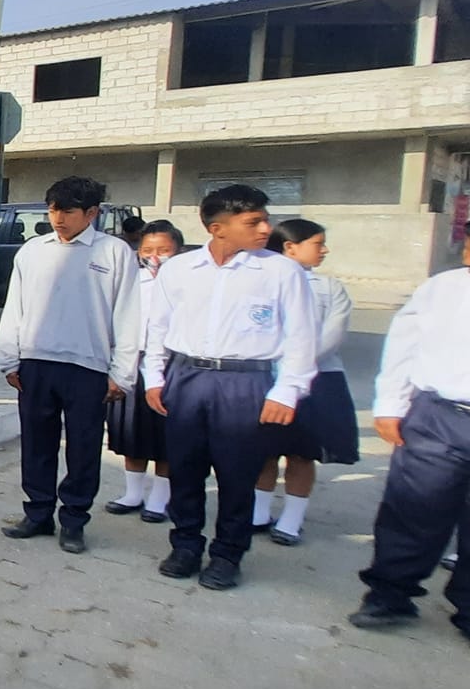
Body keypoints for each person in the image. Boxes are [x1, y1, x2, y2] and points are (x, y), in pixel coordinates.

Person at [142, 185, 319, 590]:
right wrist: (154, 377)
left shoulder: (281, 272)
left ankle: (227, 554)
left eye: (265, 220)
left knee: (237, 474)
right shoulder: (179, 270)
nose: (265, 229)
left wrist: (286, 391)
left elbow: (301, 338)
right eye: (253, 222)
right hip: (187, 377)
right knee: (184, 469)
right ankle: (186, 545)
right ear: (217, 228)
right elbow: (158, 327)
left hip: (246, 381)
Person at [0, 176, 142, 555]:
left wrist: (122, 373)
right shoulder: (33, 251)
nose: (58, 218)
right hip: (36, 363)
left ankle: (74, 521)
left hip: (88, 366)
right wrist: (9, 359)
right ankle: (38, 513)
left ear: (91, 213)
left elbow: (129, 315)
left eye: (68, 211)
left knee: (83, 447)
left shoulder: (113, 253)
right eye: (52, 210)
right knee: (37, 444)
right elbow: (15, 307)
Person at [346, 233, 469, 637]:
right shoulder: (443, 289)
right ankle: (390, 595)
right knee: (414, 508)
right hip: (441, 416)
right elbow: (403, 346)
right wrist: (389, 406)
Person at [255, 219, 359, 546]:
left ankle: (291, 519)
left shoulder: (329, 288)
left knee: (302, 453)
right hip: (265, 376)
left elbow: (332, 335)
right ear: (290, 247)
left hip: (317, 379)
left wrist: (295, 364)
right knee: (264, 451)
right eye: (318, 243)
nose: (324, 250)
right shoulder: (263, 280)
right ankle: (257, 512)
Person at [105, 219, 183, 524]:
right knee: (130, 430)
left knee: (165, 435)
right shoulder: (133, 282)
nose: (155, 256)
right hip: (132, 361)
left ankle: (160, 498)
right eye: (148, 250)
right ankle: (133, 493)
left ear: (177, 250)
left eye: (164, 250)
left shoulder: (185, 284)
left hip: (171, 365)